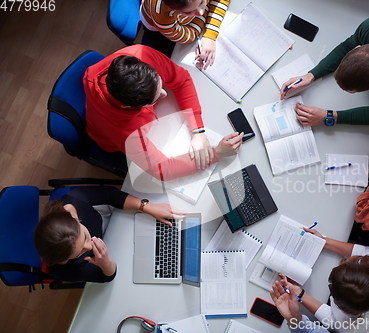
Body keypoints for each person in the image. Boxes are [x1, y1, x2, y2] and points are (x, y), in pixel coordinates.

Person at [84, 44, 243, 181]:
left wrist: (198, 131)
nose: (165, 94)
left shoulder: (141, 54)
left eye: (161, 86)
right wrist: (218, 153)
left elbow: (182, 80)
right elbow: (162, 170)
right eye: (154, 99)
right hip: (113, 142)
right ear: (129, 107)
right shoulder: (124, 132)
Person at [33, 187, 184, 283]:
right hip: (114, 251)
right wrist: (105, 263)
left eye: (85, 237)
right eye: (81, 252)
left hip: (115, 220)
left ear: (74, 219)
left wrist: (147, 207)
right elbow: (106, 276)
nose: (90, 245)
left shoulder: (75, 200)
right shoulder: (65, 270)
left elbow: (109, 194)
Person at [270, 232, 369, 333]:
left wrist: (300, 294)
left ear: (341, 305)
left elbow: (333, 319)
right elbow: (363, 251)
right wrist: (324, 241)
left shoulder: (354, 328)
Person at [140, 0, 229, 67]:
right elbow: (189, 36)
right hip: (160, 31)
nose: (201, 13)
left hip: (183, 23)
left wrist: (210, 34)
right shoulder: (162, 16)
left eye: (202, 2)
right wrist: (208, 9)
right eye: (188, 12)